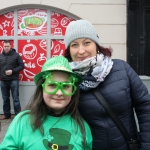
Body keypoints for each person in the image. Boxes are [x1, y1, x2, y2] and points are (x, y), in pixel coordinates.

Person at [64, 20, 150, 150]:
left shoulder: (122, 68)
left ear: (96, 45)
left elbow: (145, 107)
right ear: (69, 51)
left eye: (87, 42)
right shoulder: (68, 79)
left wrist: (146, 145)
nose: (81, 51)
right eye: (74, 45)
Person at [0, 56, 92, 149]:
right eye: (52, 85)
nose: (59, 93)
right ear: (42, 88)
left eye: (65, 86)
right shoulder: (22, 121)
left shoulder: (81, 126)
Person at [0, 40, 24, 120]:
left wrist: (12, 71)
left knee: (15, 98)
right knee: (5, 98)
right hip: (3, 81)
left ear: (10, 46)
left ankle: (18, 115)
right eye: (5, 46)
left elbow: (22, 65)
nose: (6, 48)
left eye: (7, 46)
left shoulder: (16, 55)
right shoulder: (0, 56)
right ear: (3, 46)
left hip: (13, 80)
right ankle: (7, 114)